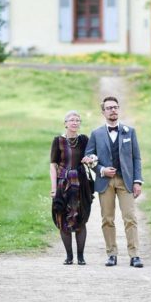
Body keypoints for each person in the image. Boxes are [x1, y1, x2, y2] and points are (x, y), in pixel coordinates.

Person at [82, 95, 144, 267]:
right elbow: (88, 157)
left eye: (115, 107)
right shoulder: (96, 134)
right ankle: (111, 254)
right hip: (105, 183)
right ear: (103, 112)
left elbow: (136, 158)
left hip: (126, 181)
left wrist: (137, 181)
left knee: (130, 217)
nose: (113, 110)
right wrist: (102, 170)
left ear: (118, 109)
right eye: (109, 108)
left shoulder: (130, 131)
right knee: (107, 219)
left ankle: (134, 255)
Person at [49, 110, 94, 265]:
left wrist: (90, 160)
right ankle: (69, 257)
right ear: (65, 123)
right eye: (72, 120)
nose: (75, 122)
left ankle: (81, 257)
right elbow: (53, 165)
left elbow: (92, 157)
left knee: (81, 219)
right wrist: (53, 188)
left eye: (77, 120)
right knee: (63, 219)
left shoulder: (84, 140)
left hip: (81, 184)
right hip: (63, 184)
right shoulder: (58, 141)